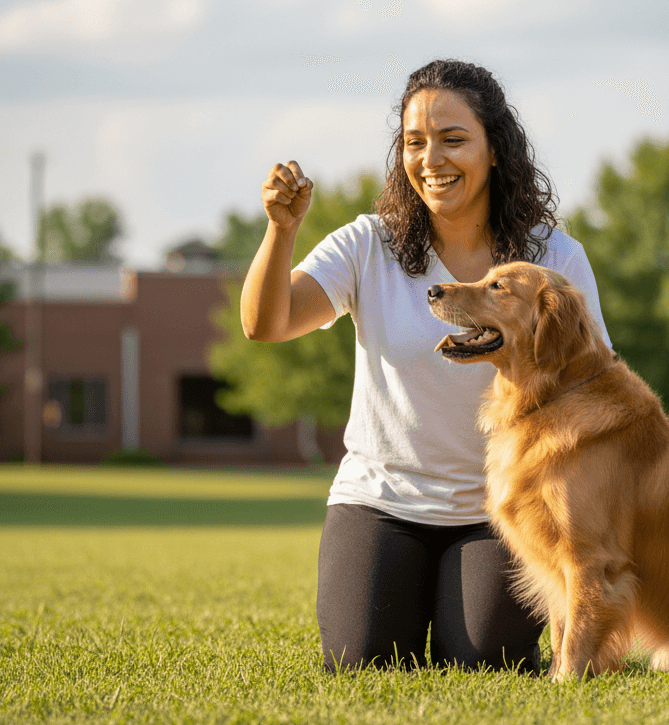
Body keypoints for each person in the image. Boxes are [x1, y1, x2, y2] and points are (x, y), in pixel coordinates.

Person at [241, 59, 612, 673]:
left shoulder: (552, 258)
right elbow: (266, 323)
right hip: (380, 501)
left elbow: (595, 384)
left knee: (484, 661)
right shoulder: (368, 244)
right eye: (415, 143)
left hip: (501, 512)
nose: (431, 159)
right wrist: (281, 231)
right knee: (362, 662)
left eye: (453, 139)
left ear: (496, 150)